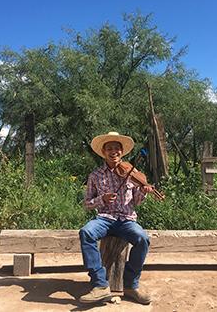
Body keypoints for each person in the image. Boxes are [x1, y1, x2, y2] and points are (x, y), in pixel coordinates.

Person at [78, 131, 154, 305]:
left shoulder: (132, 172)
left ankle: (130, 284)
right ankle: (100, 285)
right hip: (104, 219)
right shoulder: (95, 175)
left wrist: (143, 191)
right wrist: (101, 199)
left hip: (127, 219)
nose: (114, 152)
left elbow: (137, 201)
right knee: (86, 232)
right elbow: (87, 203)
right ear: (104, 152)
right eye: (110, 148)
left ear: (122, 152)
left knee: (142, 239)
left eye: (117, 149)